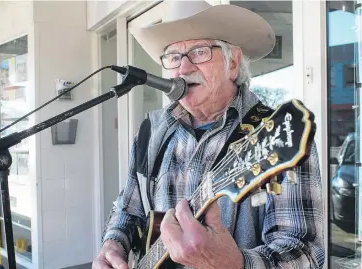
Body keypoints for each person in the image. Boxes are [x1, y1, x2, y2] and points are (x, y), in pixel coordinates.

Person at [94, 1, 325, 269]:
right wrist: (113, 243)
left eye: (199, 52)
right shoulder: (151, 130)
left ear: (234, 63)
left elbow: (305, 254)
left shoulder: (276, 135)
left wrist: (236, 263)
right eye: (173, 57)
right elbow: (128, 208)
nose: (183, 69)